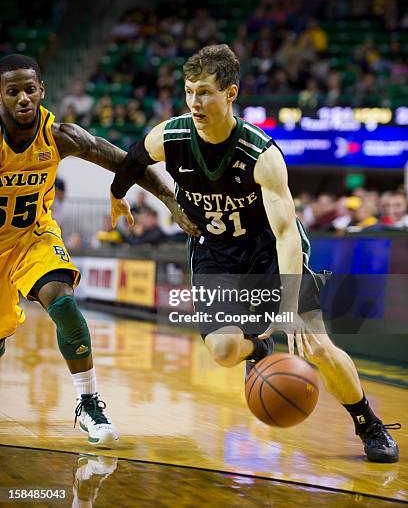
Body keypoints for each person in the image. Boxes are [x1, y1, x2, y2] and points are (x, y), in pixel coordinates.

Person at [110, 44, 400, 463]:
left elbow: (286, 234)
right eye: (189, 91)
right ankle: (258, 349)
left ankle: (368, 423)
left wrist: (287, 307)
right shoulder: (170, 136)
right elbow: (134, 157)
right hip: (215, 255)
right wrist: (118, 193)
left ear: (231, 93)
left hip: (269, 251)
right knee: (225, 351)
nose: (194, 101)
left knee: (315, 343)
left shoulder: (260, 154)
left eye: (205, 92)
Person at [0, 53, 198, 448]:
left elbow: (127, 162)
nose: (23, 98)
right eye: (12, 91)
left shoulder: (60, 136)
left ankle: (89, 405)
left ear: (42, 91)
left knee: (63, 303)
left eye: (29, 89)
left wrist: (171, 202)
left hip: (32, 237)